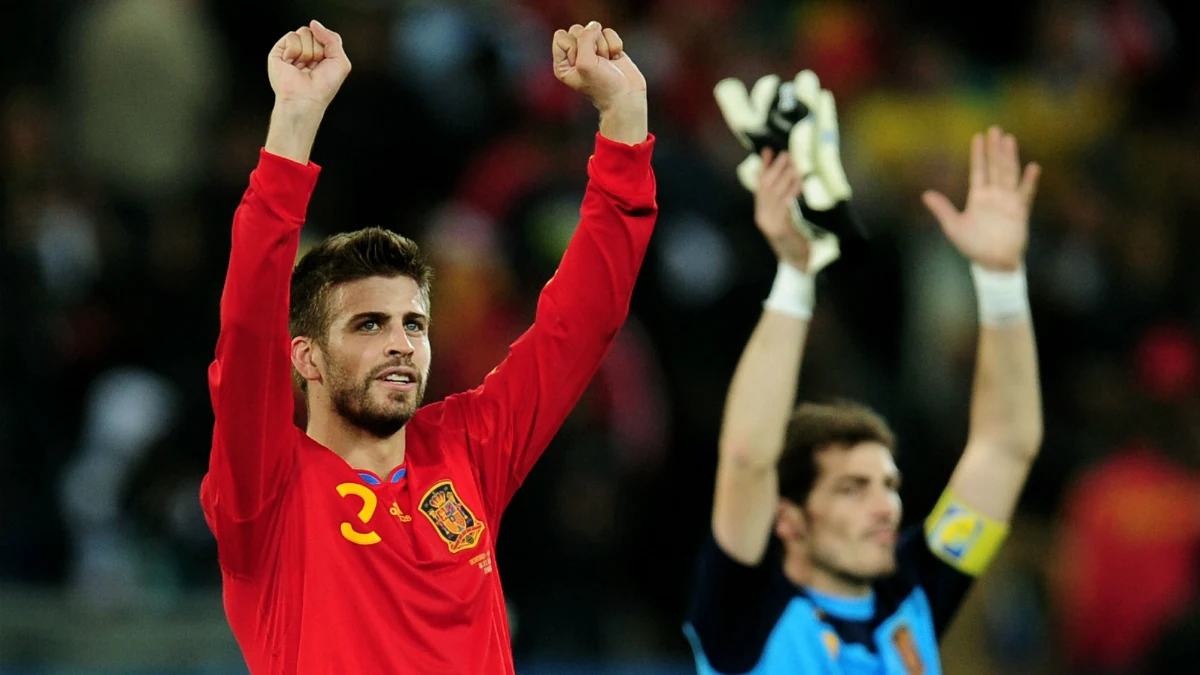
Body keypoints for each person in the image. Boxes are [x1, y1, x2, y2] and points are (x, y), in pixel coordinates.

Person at [200, 19, 655, 675]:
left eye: (412, 324)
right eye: (367, 324)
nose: (401, 344)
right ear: (306, 357)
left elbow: (582, 323)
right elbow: (245, 330)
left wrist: (623, 115)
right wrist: (293, 124)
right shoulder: (264, 489)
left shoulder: (467, 446)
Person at [685, 72, 1044, 673]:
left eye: (887, 485)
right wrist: (796, 276)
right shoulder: (744, 615)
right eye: (853, 488)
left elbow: (1006, 448)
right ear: (789, 519)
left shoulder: (915, 593)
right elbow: (748, 457)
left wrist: (1001, 280)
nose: (886, 507)